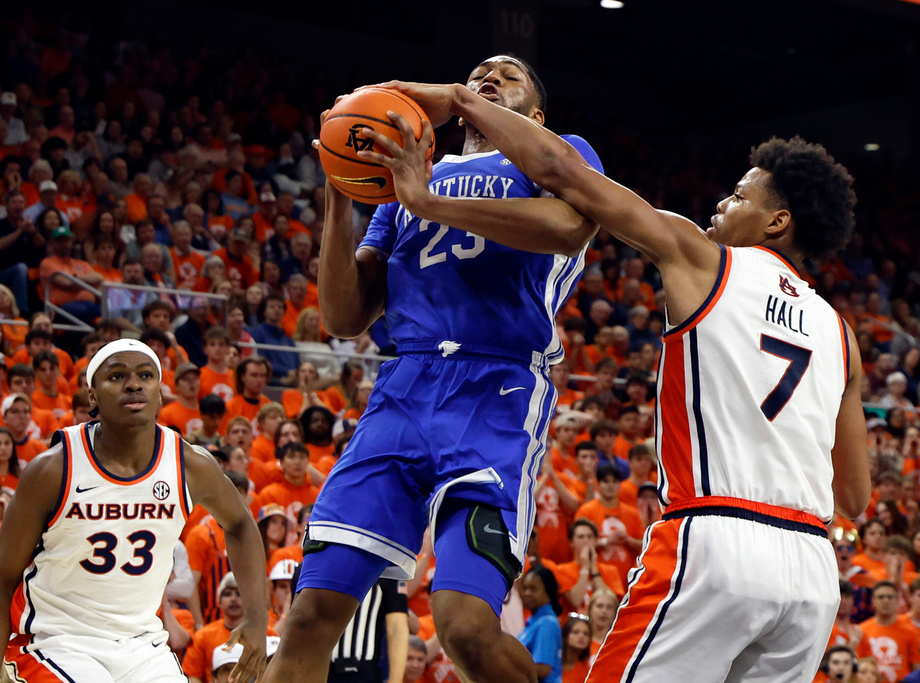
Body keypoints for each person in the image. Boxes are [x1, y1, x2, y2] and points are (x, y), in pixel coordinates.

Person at [367, 71, 870, 682]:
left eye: (740, 197)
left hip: (717, 538)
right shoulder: (841, 334)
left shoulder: (701, 257)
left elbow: (564, 173)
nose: (722, 204)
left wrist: (460, 100)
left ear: (777, 222)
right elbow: (854, 497)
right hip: (813, 570)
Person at [264, 55, 603, 683]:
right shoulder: (410, 179)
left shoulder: (557, 154)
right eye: (478, 73)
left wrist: (429, 200)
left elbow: (567, 228)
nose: (488, 77)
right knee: (309, 615)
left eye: (508, 75)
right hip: (404, 387)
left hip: (496, 387)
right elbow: (343, 316)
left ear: (536, 115)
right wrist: (341, 191)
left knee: (464, 626)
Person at [0, 338, 268, 683]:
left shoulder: (190, 465)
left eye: (145, 375)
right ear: (92, 396)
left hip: (143, 646)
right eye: (117, 376)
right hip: (57, 641)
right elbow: (3, 577)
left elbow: (241, 524)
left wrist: (257, 619)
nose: (133, 384)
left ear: (160, 393)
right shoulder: (53, 469)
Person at [518, 567, 563, 683]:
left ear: (548, 592)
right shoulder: (534, 620)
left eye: (533, 589)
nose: (527, 593)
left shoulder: (547, 623)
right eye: (525, 588)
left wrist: (504, 667)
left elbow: (543, 669)